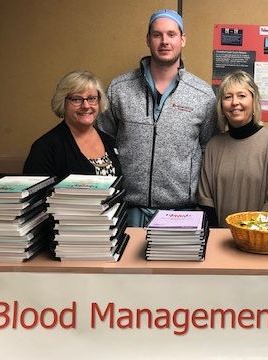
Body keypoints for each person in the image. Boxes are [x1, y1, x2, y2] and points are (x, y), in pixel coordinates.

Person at [97, 9, 217, 227]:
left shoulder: (202, 94)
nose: (164, 41)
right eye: (157, 35)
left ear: (183, 40)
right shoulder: (119, 89)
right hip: (125, 209)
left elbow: (208, 148)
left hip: (181, 213)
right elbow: (102, 143)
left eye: (171, 34)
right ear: (148, 40)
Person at [198, 70, 268, 227]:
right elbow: (206, 202)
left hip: (260, 240)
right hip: (221, 240)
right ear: (221, 106)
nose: (235, 102)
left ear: (254, 101)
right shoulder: (213, 147)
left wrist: (252, 236)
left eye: (242, 95)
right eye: (228, 97)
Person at [23, 70, 121, 179]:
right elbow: (37, 193)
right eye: (76, 99)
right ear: (63, 103)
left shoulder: (109, 141)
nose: (86, 105)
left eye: (92, 98)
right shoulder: (45, 148)